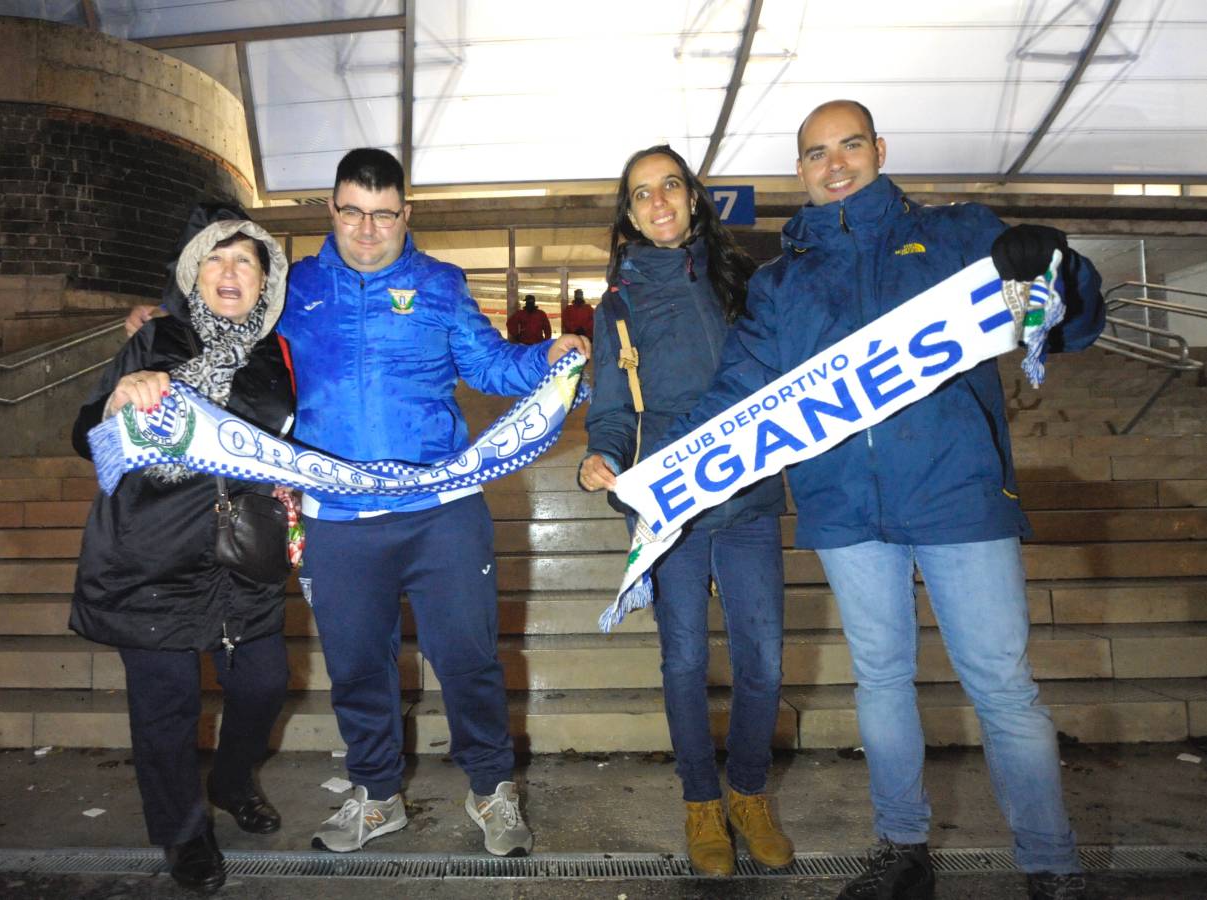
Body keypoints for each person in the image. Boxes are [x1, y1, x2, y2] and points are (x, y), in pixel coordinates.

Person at [662, 101, 1104, 900]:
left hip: (957, 495)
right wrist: (665, 467)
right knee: (880, 680)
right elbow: (738, 389)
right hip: (843, 508)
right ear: (799, 169)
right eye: (815, 153)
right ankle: (901, 849)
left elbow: (1068, 324)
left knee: (1001, 687)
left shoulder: (959, 235)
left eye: (849, 146)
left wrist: (1056, 265)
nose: (834, 165)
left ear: (879, 149)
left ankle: (1050, 864)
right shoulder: (779, 283)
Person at [279, 148, 589, 857]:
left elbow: (488, 365)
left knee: (469, 660)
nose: (366, 230)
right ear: (330, 208)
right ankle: (377, 796)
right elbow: (226, 323)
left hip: (441, 509)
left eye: (383, 215)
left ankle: (491, 788)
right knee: (357, 667)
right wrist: (160, 324)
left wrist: (545, 360)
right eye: (352, 212)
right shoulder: (293, 287)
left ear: (406, 213)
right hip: (337, 515)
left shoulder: (440, 284)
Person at [577, 145, 791, 877]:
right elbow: (613, 409)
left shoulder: (744, 282)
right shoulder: (618, 306)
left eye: (670, 185)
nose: (659, 201)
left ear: (693, 197)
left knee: (763, 659)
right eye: (642, 193)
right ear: (630, 216)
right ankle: (702, 803)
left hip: (750, 495)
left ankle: (749, 794)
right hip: (671, 507)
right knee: (686, 660)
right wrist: (599, 455)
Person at [73, 204, 296, 894]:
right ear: (193, 273)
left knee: (263, 684)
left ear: (266, 281)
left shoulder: (280, 355)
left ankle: (230, 780)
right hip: (152, 554)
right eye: (215, 258)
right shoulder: (155, 339)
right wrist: (118, 400)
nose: (230, 272)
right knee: (165, 706)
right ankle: (182, 830)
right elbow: (84, 432)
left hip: (243, 555)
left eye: (245, 261)